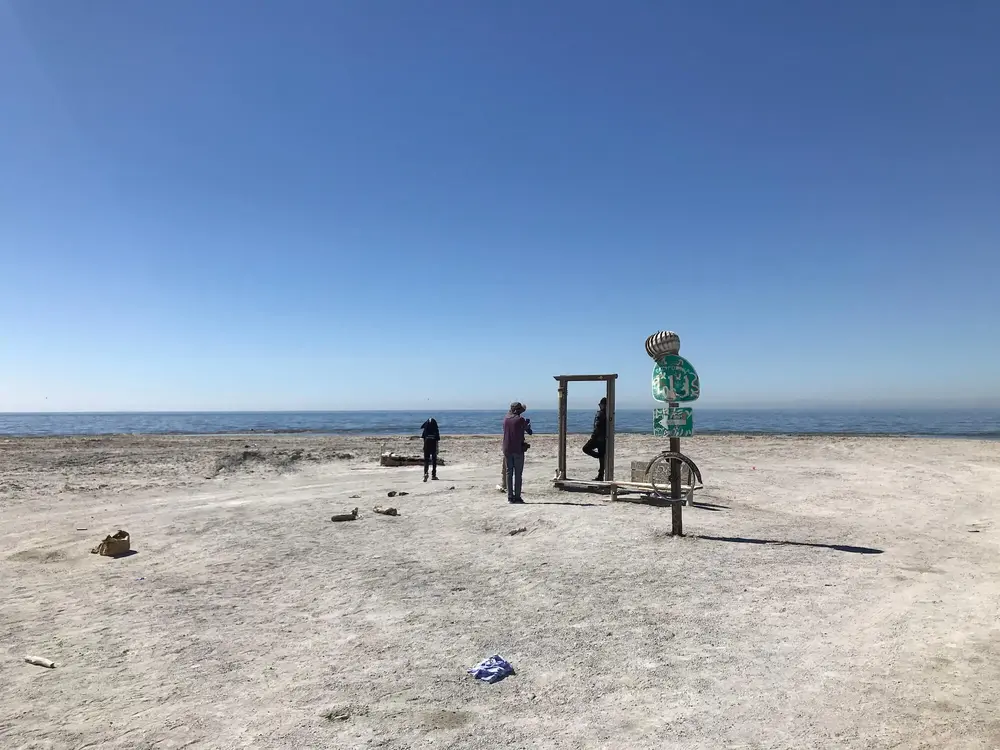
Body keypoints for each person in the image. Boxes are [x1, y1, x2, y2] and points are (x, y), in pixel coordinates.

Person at [502, 402, 532, 504]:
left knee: (509, 473)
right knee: (518, 474)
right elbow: (529, 431)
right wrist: (527, 425)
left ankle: (510, 497)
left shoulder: (505, 419)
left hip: (507, 449)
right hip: (517, 449)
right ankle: (517, 497)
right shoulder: (520, 420)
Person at [582, 397, 608, 481]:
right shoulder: (608, 414)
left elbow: (597, 426)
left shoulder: (601, 414)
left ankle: (599, 457)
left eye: (601, 405)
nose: (600, 406)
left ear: (604, 405)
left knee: (586, 448)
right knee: (602, 459)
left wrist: (594, 436)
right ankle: (600, 476)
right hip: (604, 439)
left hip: (598, 438)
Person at [420, 417, 440, 481]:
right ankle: (433, 475)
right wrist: (437, 448)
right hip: (433, 444)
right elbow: (437, 440)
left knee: (426, 460)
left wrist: (424, 446)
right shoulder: (435, 429)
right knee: (434, 460)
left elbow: (424, 438)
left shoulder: (425, 429)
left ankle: (425, 473)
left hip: (426, 444)